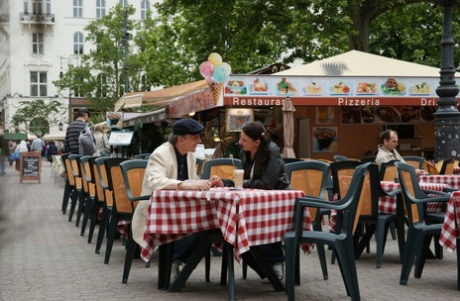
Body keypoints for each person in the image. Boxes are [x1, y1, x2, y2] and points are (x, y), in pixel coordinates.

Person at [131, 118, 223, 280]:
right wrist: (184, 185)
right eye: (195, 137)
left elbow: (192, 181)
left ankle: (177, 259)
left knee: (210, 227)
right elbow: (156, 181)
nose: (199, 141)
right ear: (181, 139)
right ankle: (175, 259)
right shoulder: (160, 154)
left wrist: (207, 183)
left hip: (183, 210)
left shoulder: (189, 155)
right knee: (203, 228)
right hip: (159, 212)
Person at [238, 121, 290, 280]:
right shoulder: (245, 151)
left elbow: (268, 184)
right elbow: (244, 179)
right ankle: (266, 270)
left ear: (257, 142)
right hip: (255, 201)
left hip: (277, 203)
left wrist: (240, 183)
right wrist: (225, 182)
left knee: (252, 223)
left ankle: (275, 261)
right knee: (237, 230)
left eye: (244, 140)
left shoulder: (272, 151)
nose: (240, 142)